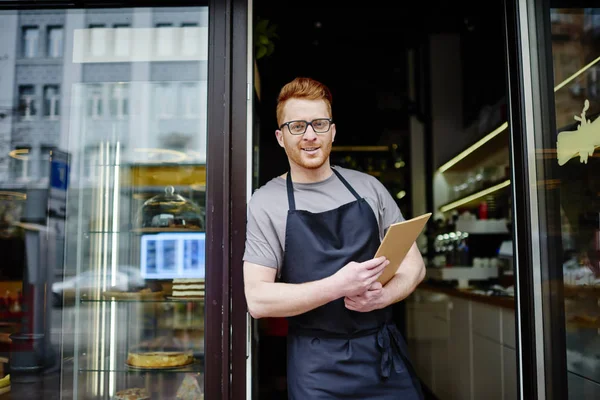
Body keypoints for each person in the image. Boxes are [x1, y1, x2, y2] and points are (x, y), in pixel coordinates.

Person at [243, 77, 426, 399]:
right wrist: (339, 285)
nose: (310, 135)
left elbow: (414, 267)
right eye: (297, 126)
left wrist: (384, 297)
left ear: (333, 131)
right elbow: (258, 300)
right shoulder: (266, 201)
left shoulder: (369, 188)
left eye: (319, 124)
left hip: (382, 354)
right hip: (317, 366)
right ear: (280, 137)